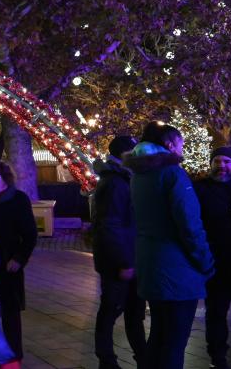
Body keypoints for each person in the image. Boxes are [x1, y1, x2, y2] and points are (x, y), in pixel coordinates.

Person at [124, 121, 214, 369]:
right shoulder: (172, 174)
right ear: (171, 144)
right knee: (174, 342)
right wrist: (206, 262)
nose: (182, 148)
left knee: (159, 336)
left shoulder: (140, 174)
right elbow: (190, 225)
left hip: (152, 264)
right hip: (177, 270)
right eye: (181, 143)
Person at [91, 135, 147, 369]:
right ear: (125, 155)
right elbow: (110, 225)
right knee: (112, 311)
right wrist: (124, 262)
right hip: (120, 263)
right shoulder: (115, 182)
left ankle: (143, 358)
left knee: (133, 313)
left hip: (128, 259)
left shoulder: (120, 178)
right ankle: (107, 360)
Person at [0, 159, 38, 362]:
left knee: (10, 311)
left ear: (5, 178)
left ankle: (14, 354)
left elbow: (30, 234)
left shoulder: (18, 199)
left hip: (9, 262)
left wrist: (19, 258)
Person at [195, 146, 231, 369]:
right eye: (217, 161)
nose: (221, 165)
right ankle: (218, 358)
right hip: (216, 263)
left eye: (226, 161)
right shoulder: (201, 189)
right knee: (216, 313)